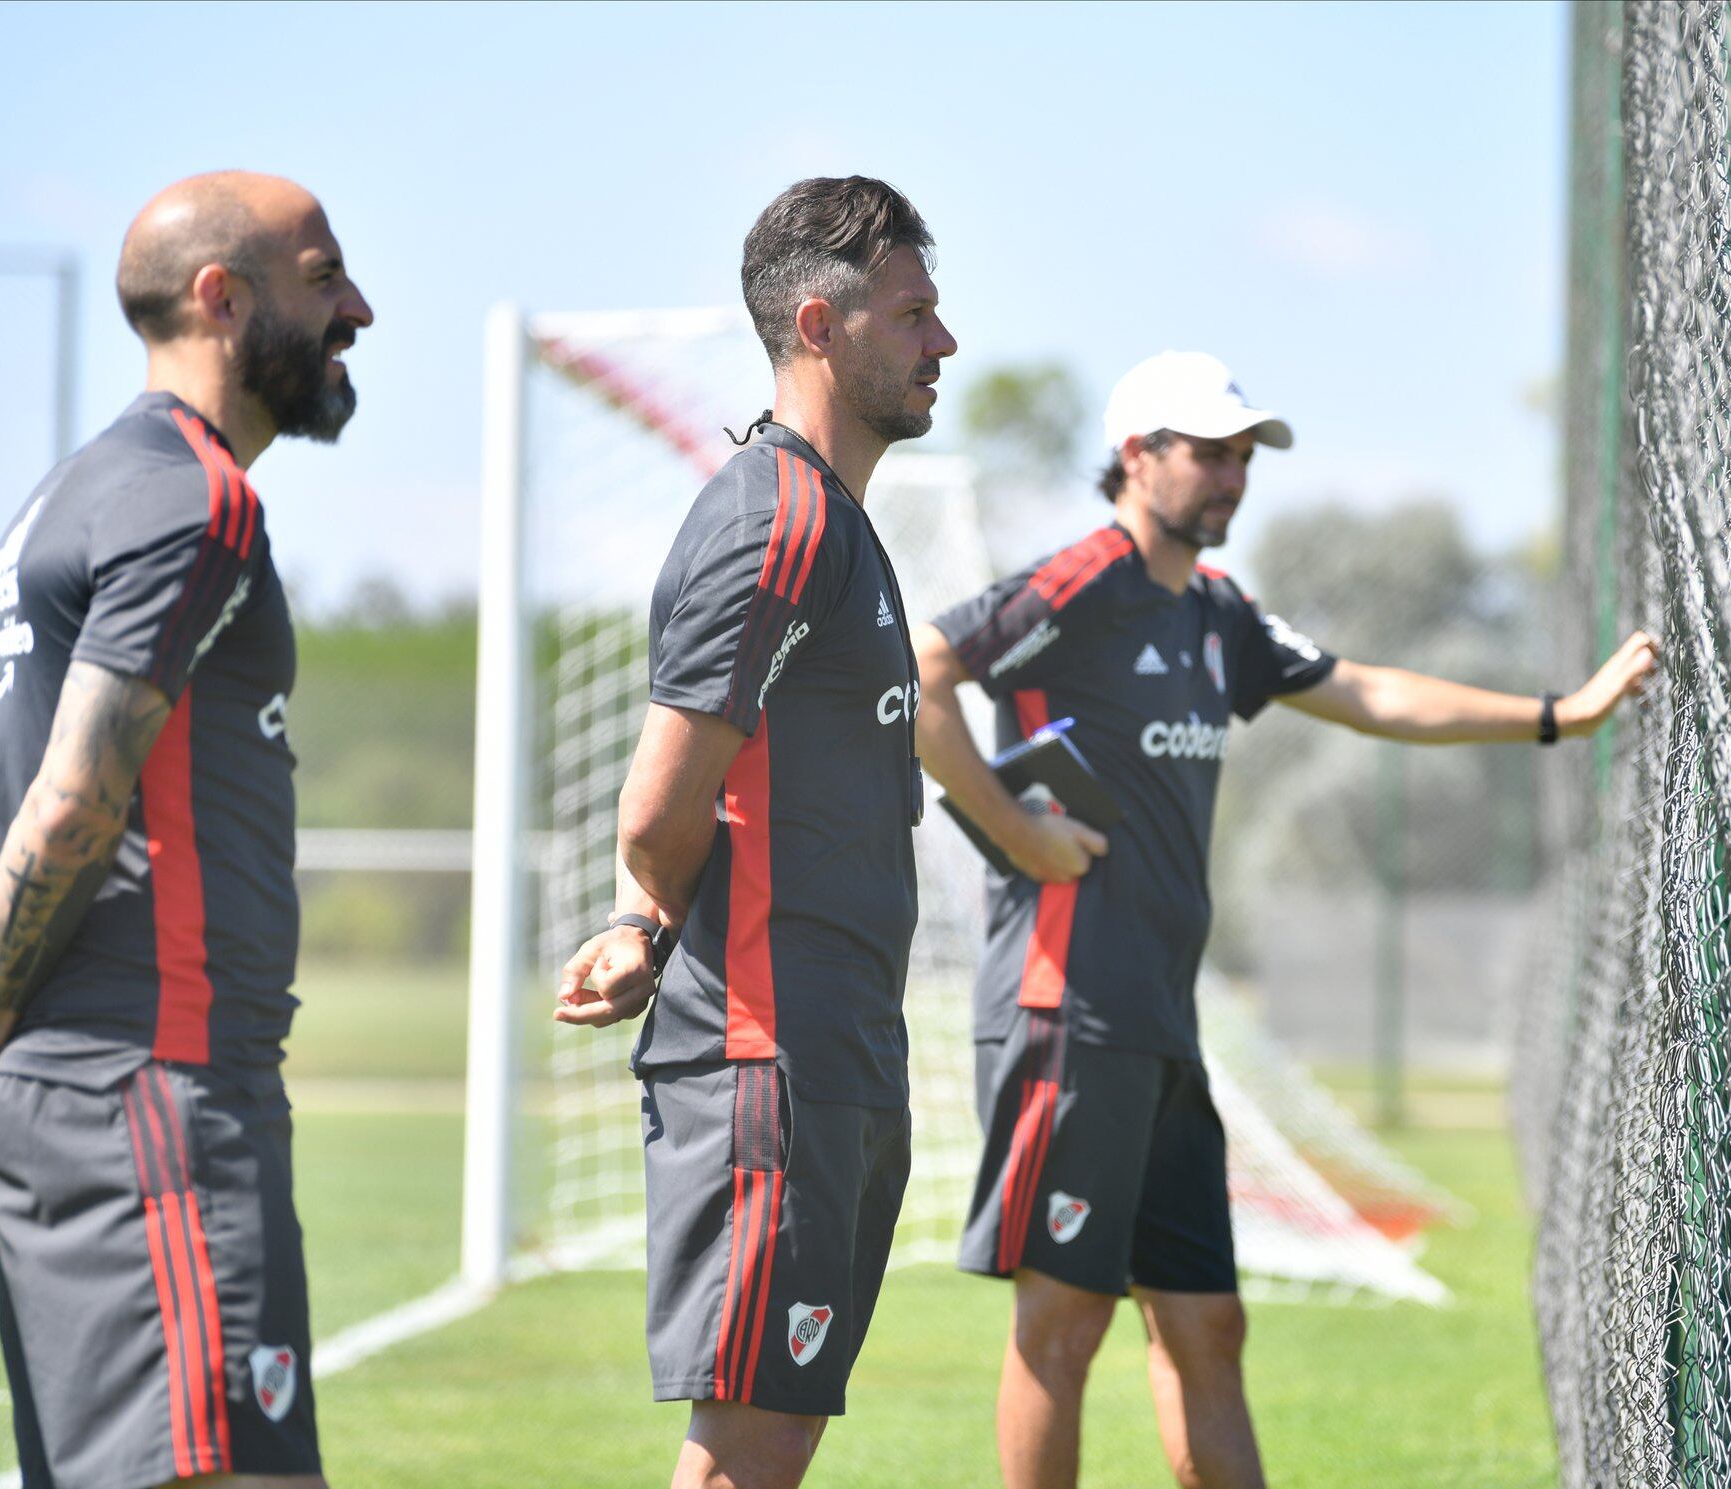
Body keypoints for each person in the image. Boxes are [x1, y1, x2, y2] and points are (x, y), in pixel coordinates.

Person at [914, 350, 1657, 1489]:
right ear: (1134, 457)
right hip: (1064, 1012)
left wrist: (1561, 713)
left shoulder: (1219, 614)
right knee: (1061, 1331)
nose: (1232, 478)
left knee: (1206, 1330)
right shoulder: (1078, 582)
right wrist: (1016, 836)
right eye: (1209, 453)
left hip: (1160, 1027)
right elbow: (922, 668)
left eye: (1243, 456)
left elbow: (1367, 693)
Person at [0, 170, 373, 1489]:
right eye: (324, 278)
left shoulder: (58, 503)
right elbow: (69, 801)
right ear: (221, 297)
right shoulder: (198, 501)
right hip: (155, 1094)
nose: (357, 308)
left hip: (87, 1099)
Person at [552, 175, 957, 1489]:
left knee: (774, 1442)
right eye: (913, 313)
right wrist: (647, 916)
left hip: (828, 1054)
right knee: (742, 1457)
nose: (942, 342)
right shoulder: (773, 518)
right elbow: (662, 799)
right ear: (821, 323)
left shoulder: (833, 522)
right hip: (763, 1059)